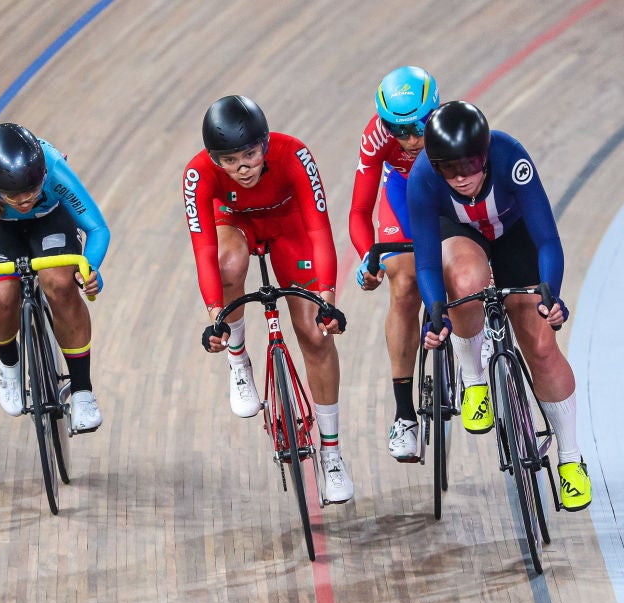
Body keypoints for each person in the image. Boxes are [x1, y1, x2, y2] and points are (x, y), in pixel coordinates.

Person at [407, 100, 591, 511]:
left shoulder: (511, 158)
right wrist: (436, 312)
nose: (462, 177)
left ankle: (571, 459)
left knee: (542, 346)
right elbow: (425, 261)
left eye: (471, 165)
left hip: (515, 233)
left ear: (485, 154)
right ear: (436, 166)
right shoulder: (422, 177)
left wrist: (551, 294)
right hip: (458, 234)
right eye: (450, 170)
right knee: (467, 282)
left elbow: (547, 240)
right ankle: (474, 380)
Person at [182, 95, 353, 503]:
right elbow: (204, 250)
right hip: (234, 224)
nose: (242, 168)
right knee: (227, 263)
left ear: (265, 143)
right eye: (230, 161)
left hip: (289, 223)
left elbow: (318, 230)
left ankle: (331, 453)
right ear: (213, 159)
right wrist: (215, 316)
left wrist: (327, 296)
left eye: (251, 154)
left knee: (315, 334)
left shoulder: (294, 154)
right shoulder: (197, 174)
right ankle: (239, 360)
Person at [0, 123, 109, 431]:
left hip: (50, 219)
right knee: (2, 298)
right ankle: (9, 364)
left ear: (42, 175)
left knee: (60, 285)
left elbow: (98, 229)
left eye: (31, 190)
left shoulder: (53, 167)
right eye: (14, 195)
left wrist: (89, 269)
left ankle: (82, 391)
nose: (26, 200)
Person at [349, 65, 439, 462]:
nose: (411, 139)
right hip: (403, 192)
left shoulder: (451, 129)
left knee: (460, 266)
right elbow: (358, 211)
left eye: (419, 128)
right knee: (403, 285)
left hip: (444, 187)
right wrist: (368, 257)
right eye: (399, 130)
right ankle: (405, 416)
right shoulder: (377, 138)